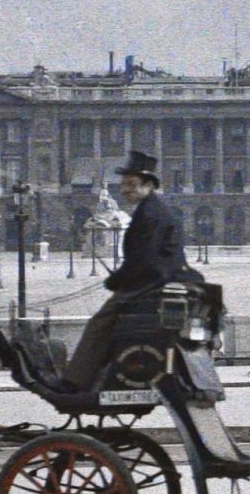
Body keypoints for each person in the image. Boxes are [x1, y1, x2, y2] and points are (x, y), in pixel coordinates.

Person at [60, 150, 198, 393]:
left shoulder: (150, 213)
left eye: (130, 185)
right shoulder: (153, 209)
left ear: (147, 185)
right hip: (160, 280)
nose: (124, 190)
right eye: (123, 185)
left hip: (152, 284)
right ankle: (102, 372)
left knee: (99, 323)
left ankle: (75, 380)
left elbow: (144, 260)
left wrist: (116, 281)